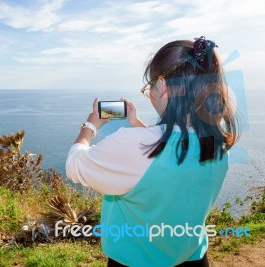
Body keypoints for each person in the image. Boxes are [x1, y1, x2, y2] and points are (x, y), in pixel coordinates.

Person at [65, 36, 239, 267]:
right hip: (193, 258)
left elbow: (74, 164)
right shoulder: (218, 144)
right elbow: (170, 148)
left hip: (135, 261)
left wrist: (90, 126)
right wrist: (136, 123)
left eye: (149, 87)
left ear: (163, 86)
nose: (150, 93)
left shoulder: (132, 144)